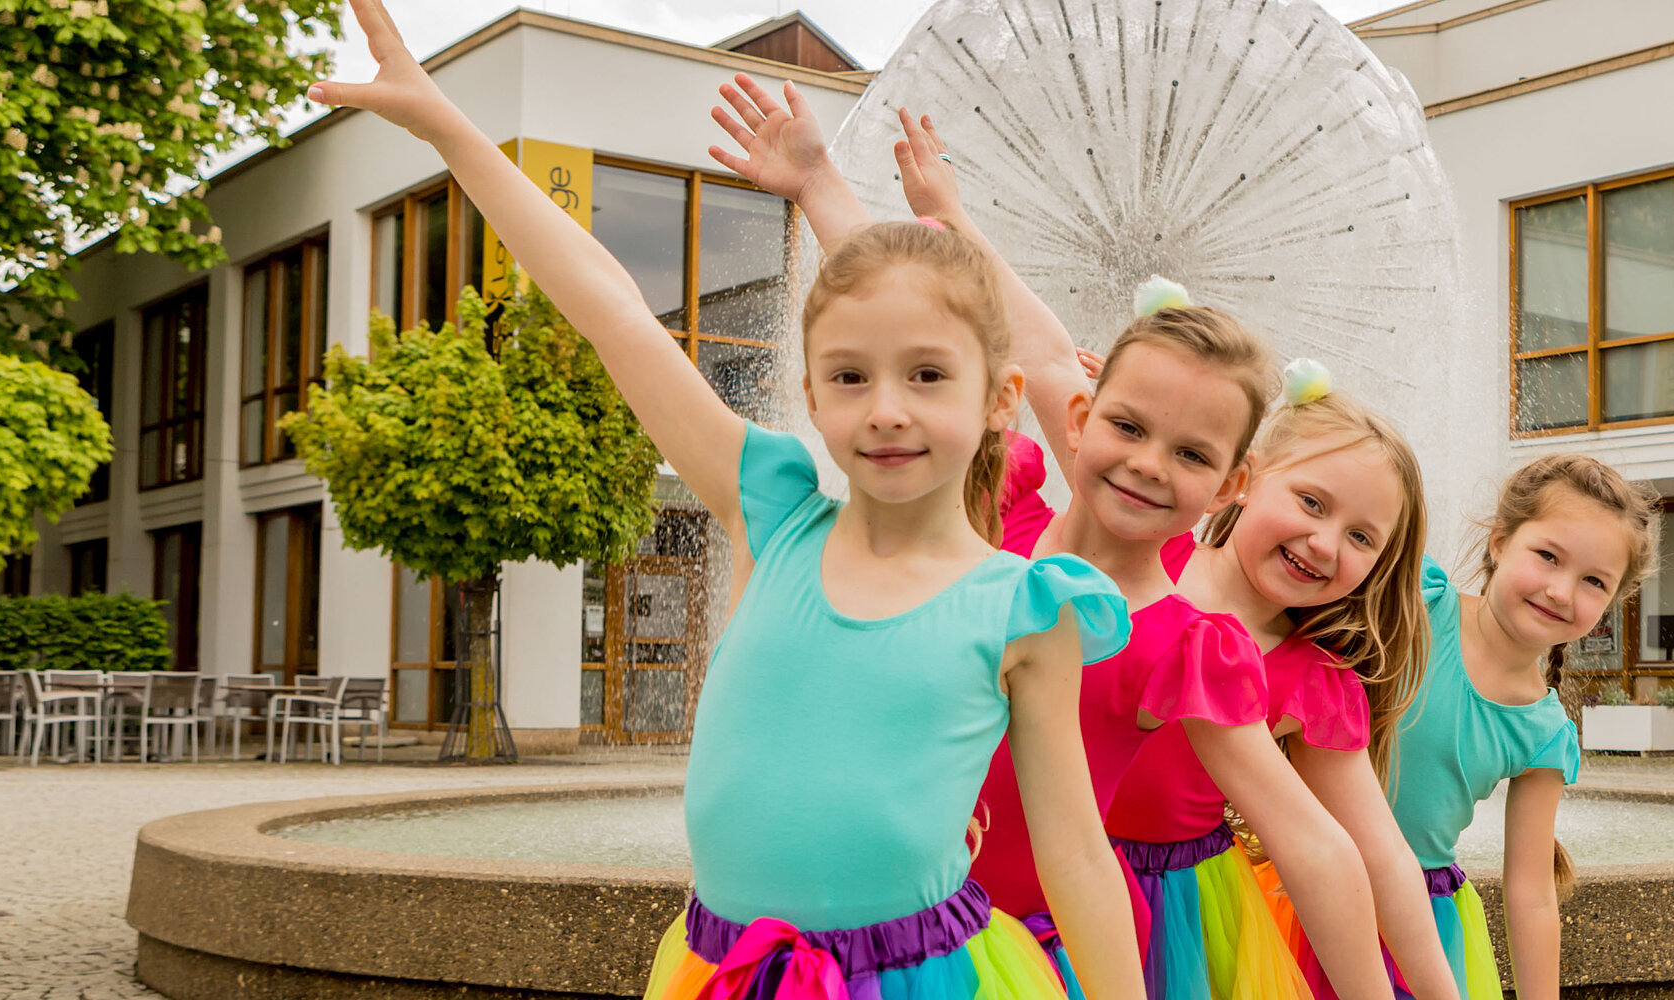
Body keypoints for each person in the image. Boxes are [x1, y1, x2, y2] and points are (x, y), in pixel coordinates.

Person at [307, 7, 1141, 998]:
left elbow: (1079, 855)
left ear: (1000, 400)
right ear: (814, 390)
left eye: (926, 375)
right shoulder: (775, 512)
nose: (885, 410)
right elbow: (610, 306)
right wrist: (450, 129)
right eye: (848, 377)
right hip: (728, 969)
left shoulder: (1027, 606)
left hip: (923, 979)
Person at [700, 78, 1407, 1000]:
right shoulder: (1007, 517)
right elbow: (921, 335)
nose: (1150, 465)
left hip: (1023, 961)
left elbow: (1313, 842)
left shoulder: (1182, 644)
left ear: (1230, 483)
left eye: (1191, 453)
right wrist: (821, 183)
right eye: (1129, 429)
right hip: (881, 946)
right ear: (1078, 417)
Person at [1125, 371, 1463, 1000]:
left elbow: (1380, 857)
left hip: (1187, 915)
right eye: (1312, 502)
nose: (1324, 542)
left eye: (1362, 537)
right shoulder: (1142, 556)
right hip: (1054, 869)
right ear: (1244, 480)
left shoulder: (1315, 682)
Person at [1382, 456, 1661, 1000]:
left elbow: (1531, 893)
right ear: (1500, 541)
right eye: (1548, 556)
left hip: (1415, 919)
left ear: (1611, 602)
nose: (1561, 590)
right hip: (1305, 877)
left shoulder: (1543, 732)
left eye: (1593, 581)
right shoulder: (1418, 602)